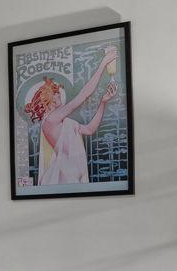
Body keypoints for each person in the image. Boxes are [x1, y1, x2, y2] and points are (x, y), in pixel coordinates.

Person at [23, 48, 119, 186]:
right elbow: (83, 95)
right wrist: (103, 64)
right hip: (64, 176)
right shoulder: (51, 119)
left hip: (76, 175)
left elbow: (90, 130)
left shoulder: (64, 121)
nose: (59, 94)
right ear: (46, 98)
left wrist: (103, 102)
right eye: (55, 92)